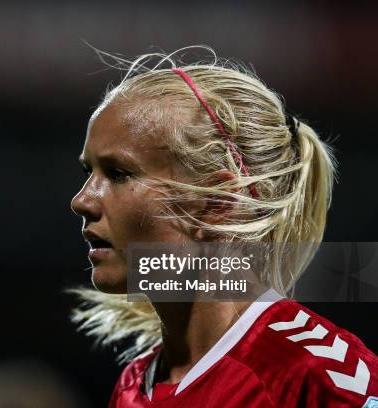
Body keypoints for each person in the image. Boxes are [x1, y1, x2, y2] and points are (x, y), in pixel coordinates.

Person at [69, 47, 378, 407]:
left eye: (118, 173)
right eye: (87, 172)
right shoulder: (134, 386)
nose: (82, 200)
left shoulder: (315, 376)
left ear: (216, 202)